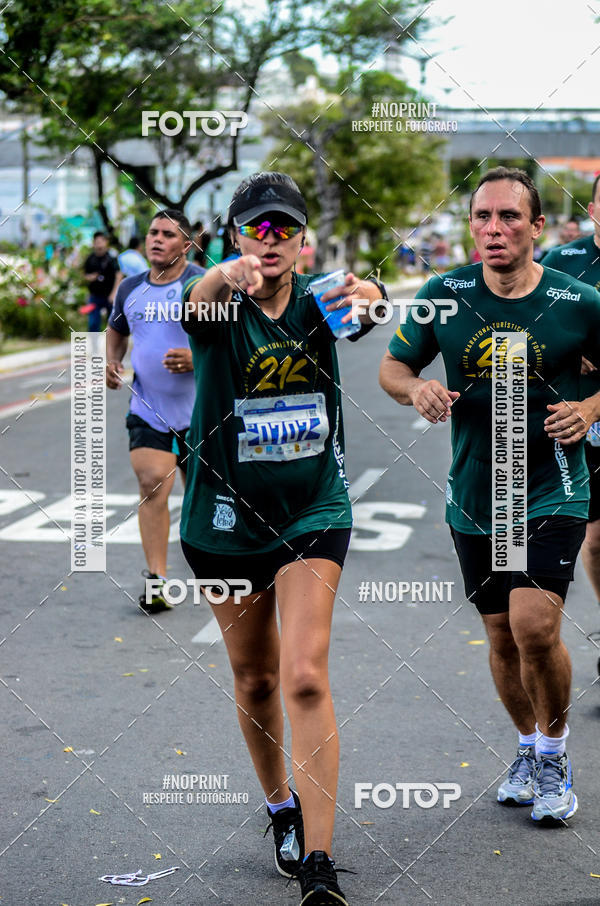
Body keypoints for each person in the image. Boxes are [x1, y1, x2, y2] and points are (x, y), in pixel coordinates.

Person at [180, 171, 386, 904]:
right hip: (222, 522)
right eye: (256, 229)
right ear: (236, 235)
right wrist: (217, 277)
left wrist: (368, 298)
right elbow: (196, 307)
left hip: (312, 510)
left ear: (303, 240)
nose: (270, 241)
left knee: (303, 673)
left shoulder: (316, 301)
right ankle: (280, 810)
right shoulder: (216, 302)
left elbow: (364, 309)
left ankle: (321, 863)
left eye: (284, 229)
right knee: (257, 678)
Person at [379, 166, 600, 823]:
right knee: (501, 636)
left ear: (537, 228)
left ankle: (556, 754)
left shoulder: (578, 302)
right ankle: (529, 744)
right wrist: (412, 388)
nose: (493, 229)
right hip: (477, 491)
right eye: (482, 217)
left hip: (553, 486)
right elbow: (395, 366)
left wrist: (589, 408)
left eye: (508, 217)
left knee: (535, 627)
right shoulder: (443, 294)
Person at [106, 210, 204, 613]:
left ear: (186, 244)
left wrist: (197, 357)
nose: (157, 240)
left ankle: (220, 571)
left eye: (168, 234)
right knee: (151, 485)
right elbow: (117, 328)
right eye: (152, 233)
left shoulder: (201, 283)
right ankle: (157, 580)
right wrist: (111, 361)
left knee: (207, 498)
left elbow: (235, 338)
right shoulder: (130, 287)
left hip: (203, 415)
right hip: (149, 410)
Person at [542, 176, 600, 625]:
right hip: (584, 422)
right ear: (592, 209)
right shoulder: (563, 262)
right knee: (595, 540)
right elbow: (530, 327)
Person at [83, 231, 121, 331]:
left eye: (101, 241)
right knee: (93, 323)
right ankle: (94, 345)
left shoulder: (111, 258)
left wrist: (114, 293)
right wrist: (91, 277)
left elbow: (119, 275)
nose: (99, 244)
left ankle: (111, 345)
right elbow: (85, 275)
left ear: (106, 242)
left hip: (109, 295)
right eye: (97, 242)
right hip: (95, 296)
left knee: (113, 324)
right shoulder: (90, 259)